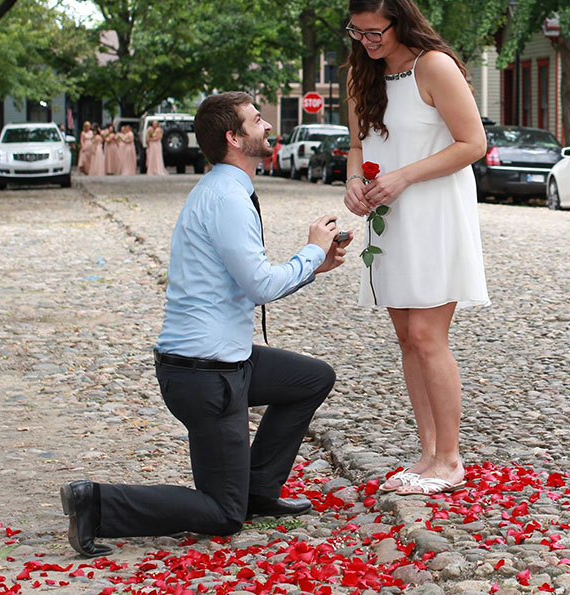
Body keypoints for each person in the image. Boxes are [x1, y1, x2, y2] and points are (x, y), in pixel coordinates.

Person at [60, 91, 352, 557]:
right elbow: (260, 285)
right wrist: (312, 250)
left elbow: (249, 281)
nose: (267, 125)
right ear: (234, 138)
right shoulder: (226, 198)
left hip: (224, 362)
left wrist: (314, 267)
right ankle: (97, 503)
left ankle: (258, 490)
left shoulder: (225, 189)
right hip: (205, 377)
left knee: (312, 378)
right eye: (256, 120)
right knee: (222, 514)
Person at [342, 0, 489, 496]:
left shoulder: (434, 66)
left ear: (400, 21)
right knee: (407, 338)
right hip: (391, 218)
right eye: (357, 32)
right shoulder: (361, 75)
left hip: (435, 213)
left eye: (374, 32)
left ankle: (450, 459)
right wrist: (353, 182)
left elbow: (473, 143)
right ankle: (427, 454)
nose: (366, 41)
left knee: (428, 336)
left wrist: (404, 176)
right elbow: (357, 147)